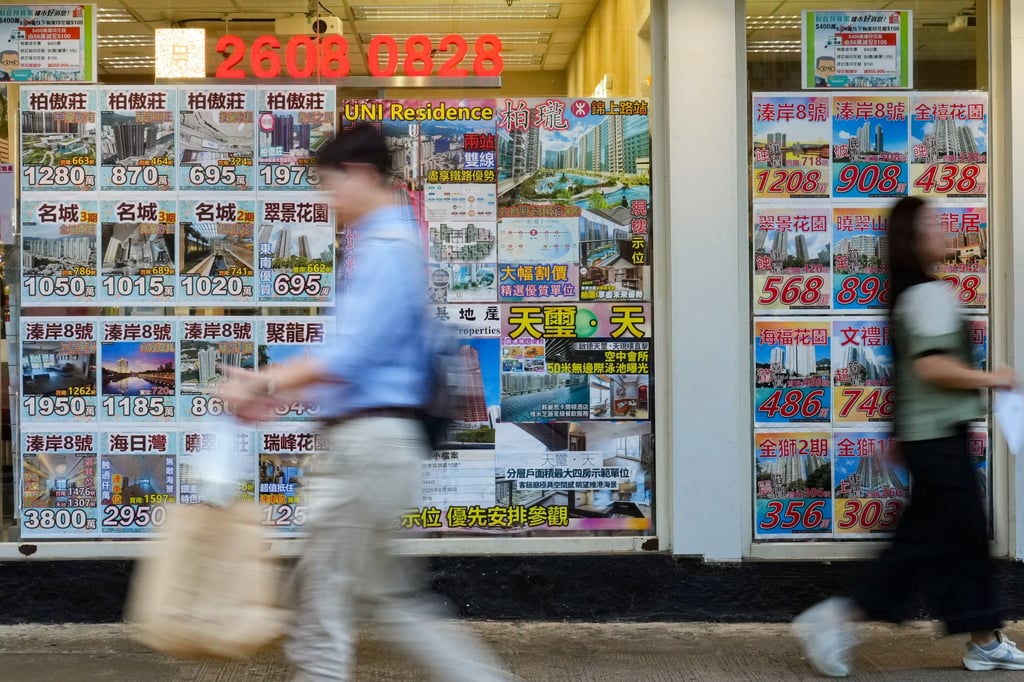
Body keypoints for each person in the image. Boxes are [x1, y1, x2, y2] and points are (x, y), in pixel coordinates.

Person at [222, 124, 511, 682]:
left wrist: (263, 384)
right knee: (390, 603)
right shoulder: (389, 243)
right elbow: (359, 360)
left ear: (358, 175)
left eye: (328, 185)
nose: (324, 201)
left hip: (367, 452)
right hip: (376, 447)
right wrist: (280, 394)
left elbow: (349, 357)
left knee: (323, 609)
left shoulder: (386, 248)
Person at [793, 196, 1024, 676]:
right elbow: (932, 366)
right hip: (937, 439)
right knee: (924, 544)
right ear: (914, 238)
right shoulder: (927, 296)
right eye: (934, 224)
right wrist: (996, 378)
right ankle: (840, 615)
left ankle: (983, 638)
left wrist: (902, 431)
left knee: (962, 540)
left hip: (930, 437)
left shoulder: (910, 293)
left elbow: (909, 373)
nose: (944, 231)